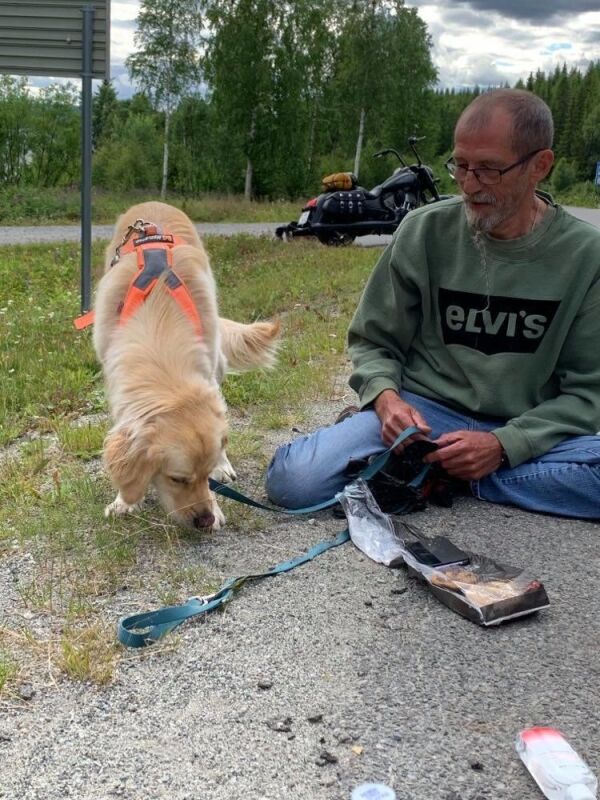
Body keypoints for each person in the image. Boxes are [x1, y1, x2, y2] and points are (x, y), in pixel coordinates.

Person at [266, 89, 600, 519]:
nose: (469, 184)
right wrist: (386, 401)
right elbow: (373, 341)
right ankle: (443, 467)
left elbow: (588, 393)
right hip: (425, 417)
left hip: (528, 426)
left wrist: (503, 446)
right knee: (293, 481)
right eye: (460, 165)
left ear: (540, 165)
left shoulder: (585, 255)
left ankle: (448, 475)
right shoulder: (424, 230)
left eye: (489, 170)